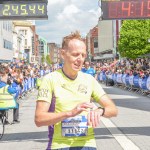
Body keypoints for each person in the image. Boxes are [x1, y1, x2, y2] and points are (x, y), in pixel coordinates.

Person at [35, 31, 118, 150]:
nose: (80, 59)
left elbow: (113, 110)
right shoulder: (50, 79)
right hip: (60, 145)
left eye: (83, 55)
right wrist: (69, 113)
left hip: (87, 145)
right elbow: (39, 119)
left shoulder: (89, 80)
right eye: (75, 54)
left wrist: (100, 111)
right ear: (63, 54)